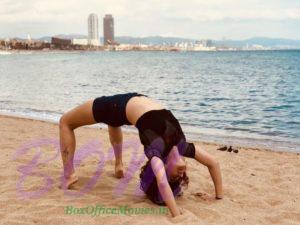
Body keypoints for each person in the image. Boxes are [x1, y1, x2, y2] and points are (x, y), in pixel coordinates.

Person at [59, 92, 223, 217]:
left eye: (172, 177)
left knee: (66, 121)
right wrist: (218, 197)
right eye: (178, 179)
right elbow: (213, 163)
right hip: (130, 103)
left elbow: (162, 184)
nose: (180, 175)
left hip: (120, 106)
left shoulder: (155, 152)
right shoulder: (183, 147)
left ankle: (69, 175)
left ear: (163, 166)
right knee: (112, 120)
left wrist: (176, 214)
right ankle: (118, 165)